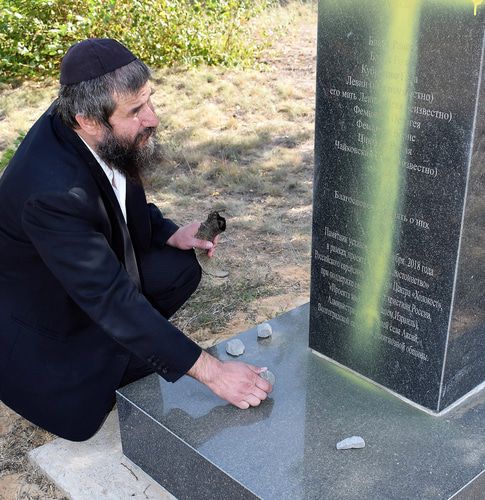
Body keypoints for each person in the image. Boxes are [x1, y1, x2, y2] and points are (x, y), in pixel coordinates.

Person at [0, 38, 271, 441]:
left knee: (178, 268)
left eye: (149, 101)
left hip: (79, 281)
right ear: (88, 120)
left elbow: (114, 195)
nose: (153, 118)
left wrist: (168, 232)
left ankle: (129, 342)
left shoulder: (89, 125)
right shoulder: (52, 193)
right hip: (45, 322)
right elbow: (110, 298)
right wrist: (214, 373)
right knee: (116, 335)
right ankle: (106, 353)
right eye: (136, 111)